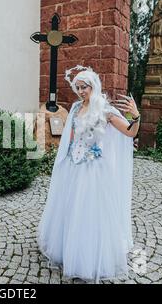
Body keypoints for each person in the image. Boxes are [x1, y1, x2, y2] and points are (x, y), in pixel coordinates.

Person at [37, 65, 141, 283]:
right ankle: (68, 249)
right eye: (78, 88)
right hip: (73, 166)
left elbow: (130, 132)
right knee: (70, 209)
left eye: (84, 87)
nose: (81, 91)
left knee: (90, 211)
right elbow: (71, 137)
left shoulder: (105, 110)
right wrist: (64, 160)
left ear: (93, 85)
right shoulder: (75, 108)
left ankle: (89, 254)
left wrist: (136, 115)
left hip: (93, 170)